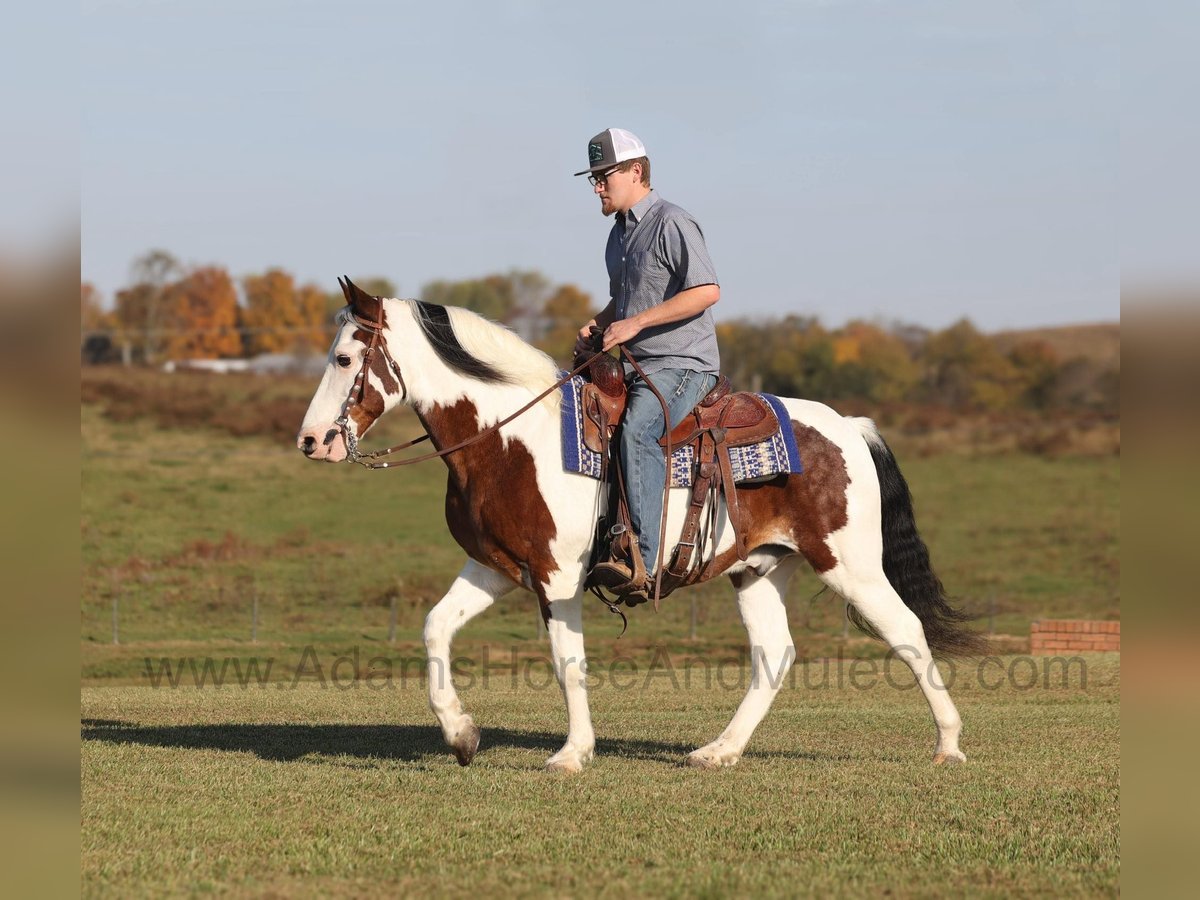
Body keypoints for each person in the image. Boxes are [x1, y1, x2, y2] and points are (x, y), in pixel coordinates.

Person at [573, 127, 721, 597]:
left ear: (636, 171)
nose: (597, 187)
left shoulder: (673, 222)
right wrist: (599, 323)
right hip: (636, 367)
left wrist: (633, 325)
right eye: (593, 178)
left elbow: (706, 291)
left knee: (638, 430)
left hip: (683, 364)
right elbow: (627, 302)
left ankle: (643, 559)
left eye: (604, 176)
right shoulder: (616, 237)